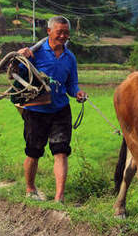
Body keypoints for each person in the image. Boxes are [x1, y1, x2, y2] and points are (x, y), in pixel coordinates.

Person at [17, 16, 87, 203]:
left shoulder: (69, 57)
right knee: (33, 151)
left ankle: (59, 197)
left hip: (61, 110)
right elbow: (18, 73)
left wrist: (78, 93)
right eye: (59, 32)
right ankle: (30, 188)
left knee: (61, 151)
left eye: (66, 33)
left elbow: (72, 84)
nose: (63, 36)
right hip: (36, 110)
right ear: (49, 32)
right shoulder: (35, 53)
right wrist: (20, 57)